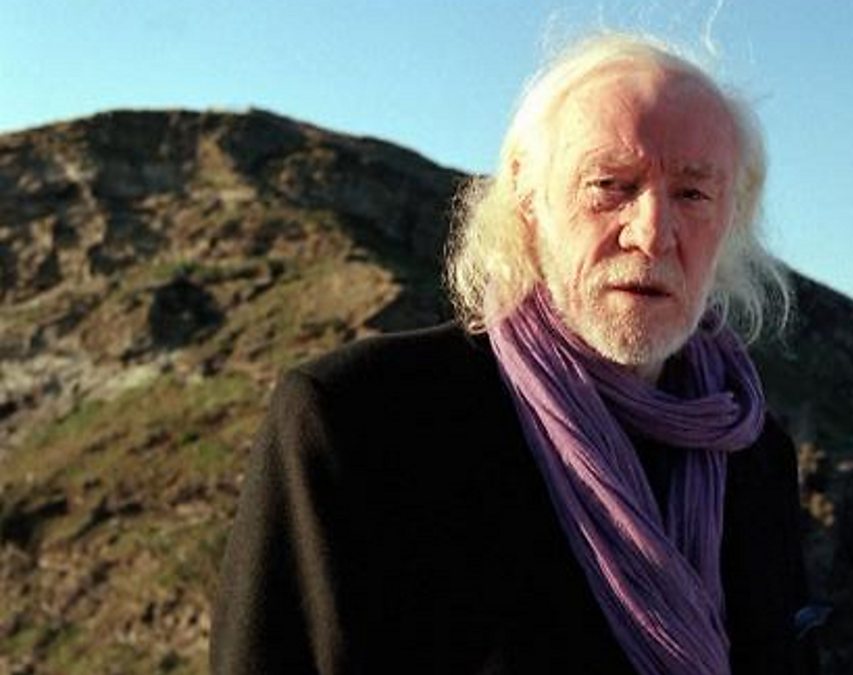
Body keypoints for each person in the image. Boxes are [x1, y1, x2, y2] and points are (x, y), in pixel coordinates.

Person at [212, 32, 814, 675]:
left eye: (693, 194)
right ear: (528, 198)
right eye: (610, 184)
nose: (652, 234)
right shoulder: (363, 422)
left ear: (732, 219)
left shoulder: (752, 453)